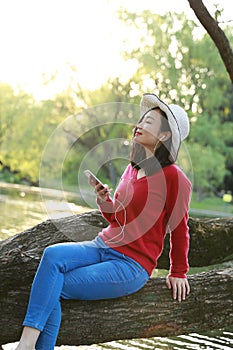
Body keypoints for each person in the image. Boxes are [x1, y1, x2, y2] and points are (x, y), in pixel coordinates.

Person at [15, 93, 192, 350]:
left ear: (164, 136)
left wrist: (179, 271)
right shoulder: (132, 168)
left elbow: (179, 227)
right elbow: (117, 218)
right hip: (102, 246)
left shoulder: (174, 177)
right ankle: (27, 345)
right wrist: (104, 201)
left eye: (149, 122)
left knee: (56, 284)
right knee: (52, 256)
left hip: (130, 265)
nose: (139, 125)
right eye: (141, 119)